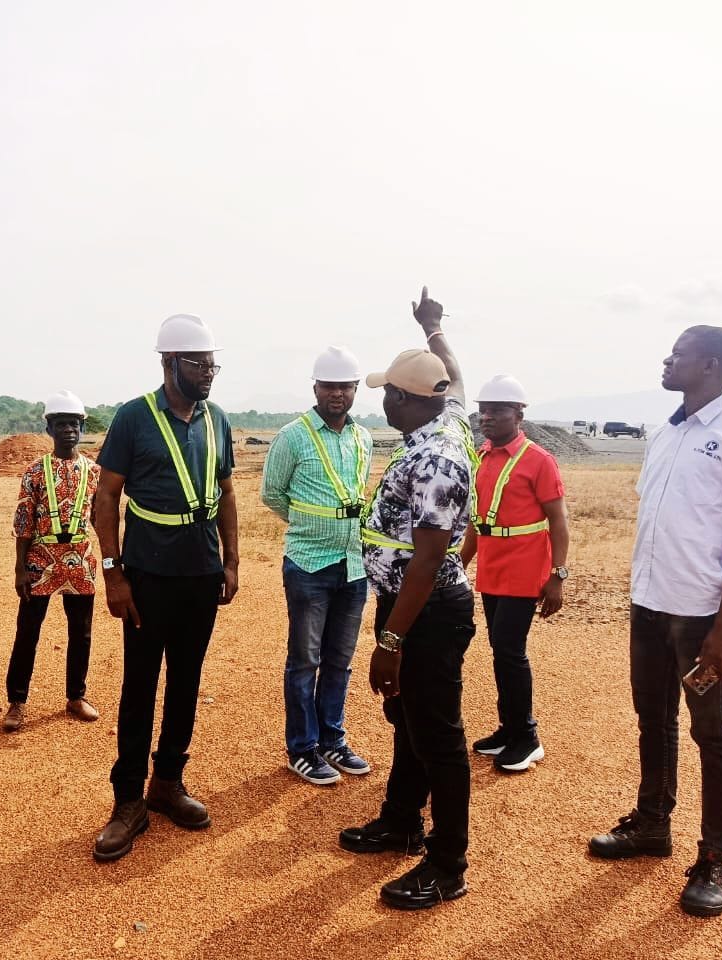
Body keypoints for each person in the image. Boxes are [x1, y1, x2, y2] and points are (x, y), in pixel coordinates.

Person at [589, 326, 722, 918]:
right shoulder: (668, 432)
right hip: (649, 603)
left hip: (699, 618)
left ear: (711, 365)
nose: (667, 360)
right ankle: (651, 823)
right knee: (653, 717)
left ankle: (717, 856)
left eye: (679, 353)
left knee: (714, 736)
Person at [338, 287, 477, 911]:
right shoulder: (446, 416)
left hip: (425, 613)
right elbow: (457, 381)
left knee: (438, 735)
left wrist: (391, 639)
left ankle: (447, 864)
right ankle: (400, 820)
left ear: (408, 400)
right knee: (408, 722)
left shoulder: (437, 460)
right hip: (406, 604)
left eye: (388, 394)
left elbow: (426, 559)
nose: (382, 402)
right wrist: (435, 329)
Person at [91, 313, 239, 862]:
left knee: (185, 681)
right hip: (147, 575)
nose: (208, 373)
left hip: (201, 572)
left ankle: (167, 783)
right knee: (139, 686)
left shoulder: (216, 419)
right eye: (199, 364)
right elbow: (107, 497)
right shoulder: (134, 417)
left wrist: (232, 562)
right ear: (168, 363)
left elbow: (225, 492)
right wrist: (113, 571)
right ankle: (127, 801)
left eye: (211, 364)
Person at [261, 346, 374, 786]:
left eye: (346, 386)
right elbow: (273, 493)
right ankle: (302, 748)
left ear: (354, 390)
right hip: (309, 563)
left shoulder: (361, 437)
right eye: (330, 385)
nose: (338, 394)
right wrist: (310, 524)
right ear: (315, 387)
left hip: (353, 565)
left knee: (340, 661)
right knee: (305, 661)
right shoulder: (293, 436)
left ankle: (332, 739)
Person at [460, 375, 570, 774]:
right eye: (483, 410)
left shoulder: (539, 460)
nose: (487, 417)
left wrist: (558, 575)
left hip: (525, 570)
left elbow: (558, 521)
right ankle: (508, 729)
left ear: (519, 414)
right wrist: (460, 563)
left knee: (509, 650)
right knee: (500, 651)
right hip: (492, 567)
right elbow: (477, 520)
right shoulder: (483, 456)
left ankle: (527, 736)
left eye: (498, 410)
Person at [3, 389, 101, 730]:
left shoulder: (94, 471)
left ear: (81, 427)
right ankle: (16, 702)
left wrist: (113, 562)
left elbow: (102, 520)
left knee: (82, 632)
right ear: (49, 429)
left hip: (81, 559)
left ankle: (76, 696)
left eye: (74, 424)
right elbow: (23, 522)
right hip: (40, 560)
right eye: (61, 424)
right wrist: (19, 569)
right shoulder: (34, 471)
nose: (68, 430)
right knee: (27, 631)